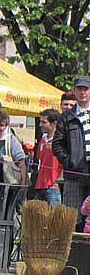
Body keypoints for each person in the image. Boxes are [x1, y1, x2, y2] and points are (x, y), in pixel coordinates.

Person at [53, 76, 90, 231]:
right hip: (74, 174)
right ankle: (73, 254)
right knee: (72, 217)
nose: (82, 92)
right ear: (74, 91)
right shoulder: (66, 117)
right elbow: (57, 144)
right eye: (79, 89)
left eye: (86, 89)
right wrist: (69, 161)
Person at [33, 109, 62, 207]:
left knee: (54, 219)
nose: (40, 124)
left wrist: (58, 181)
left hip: (53, 187)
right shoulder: (43, 139)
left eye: (43, 122)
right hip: (40, 185)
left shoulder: (62, 141)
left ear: (54, 123)